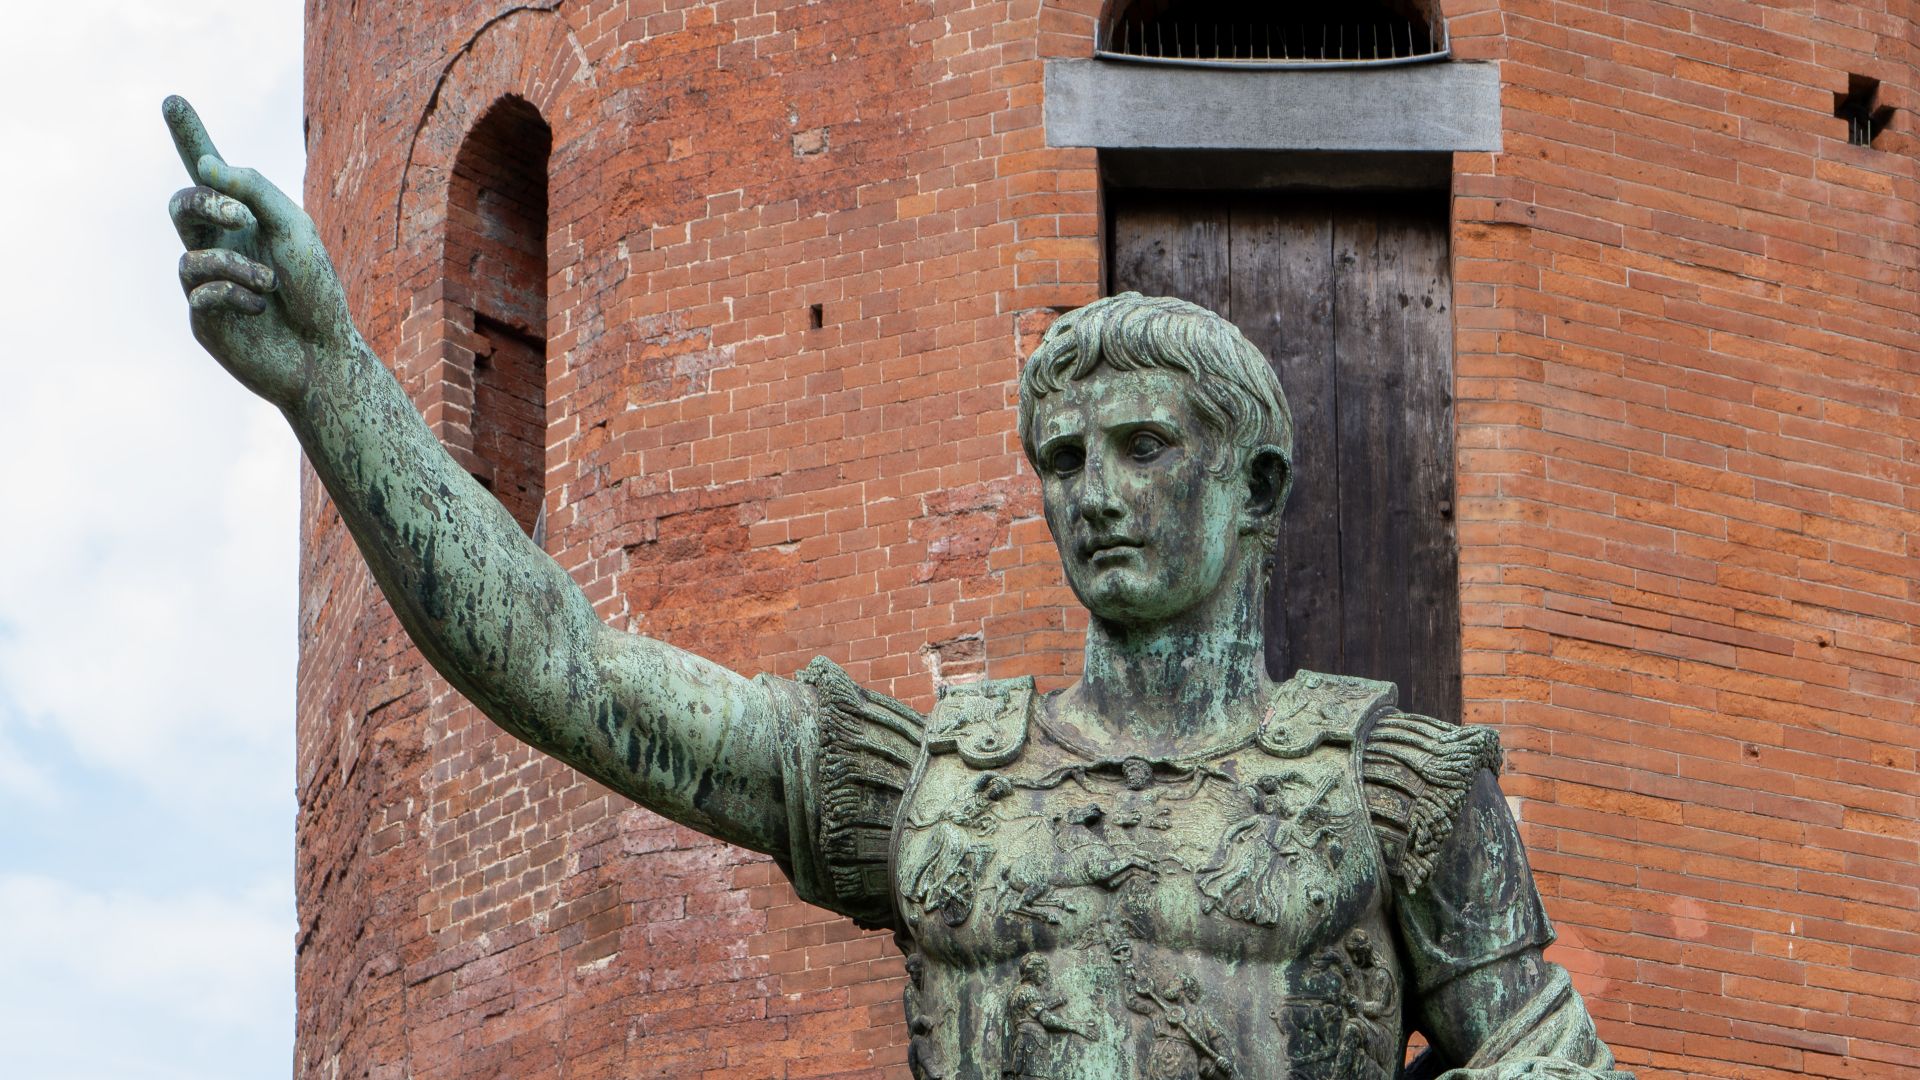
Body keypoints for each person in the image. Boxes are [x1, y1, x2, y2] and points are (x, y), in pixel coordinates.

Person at [164, 96, 1630, 1080]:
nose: (1095, 492)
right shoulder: (935, 783)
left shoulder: (1401, 793)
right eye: (1062, 458)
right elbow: (573, 670)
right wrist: (331, 385)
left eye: (1141, 448)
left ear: (1255, 489)